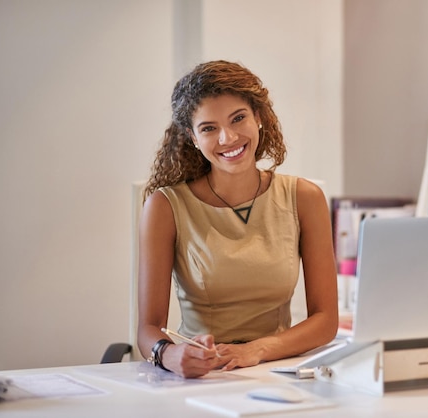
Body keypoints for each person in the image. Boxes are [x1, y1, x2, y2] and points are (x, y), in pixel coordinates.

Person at [137, 60, 339, 378]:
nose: (227, 138)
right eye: (209, 128)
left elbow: (326, 320)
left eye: (238, 118)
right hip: (202, 374)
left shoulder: (305, 198)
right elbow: (148, 329)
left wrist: (256, 350)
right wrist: (170, 354)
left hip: (277, 369)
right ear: (192, 136)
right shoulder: (165, 206)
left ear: (258, 117)